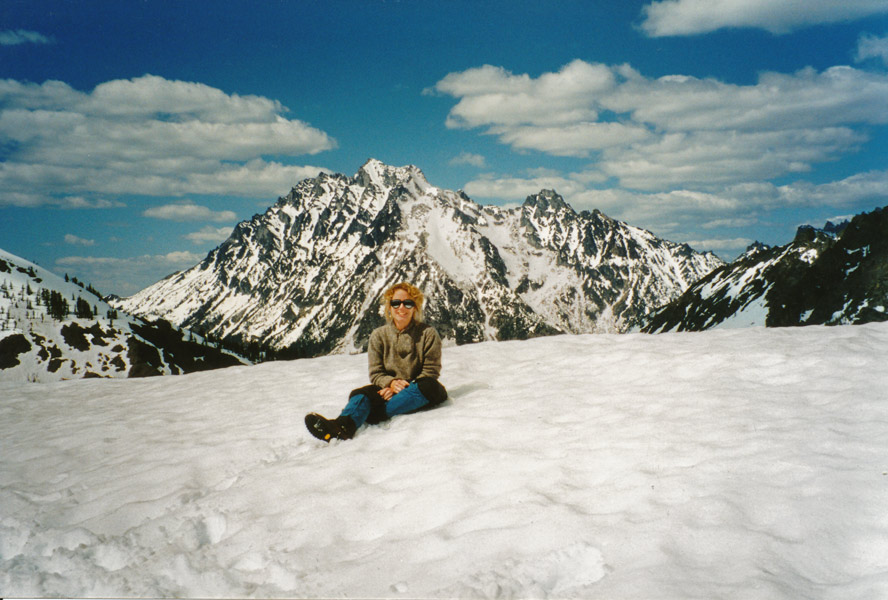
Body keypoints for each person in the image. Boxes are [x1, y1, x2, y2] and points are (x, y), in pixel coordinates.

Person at [305, 282, 448, 442]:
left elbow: (431, 371)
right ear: (389, 307)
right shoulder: (379, 335)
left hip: (417, 389)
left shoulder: (428, 333)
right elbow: (376, 373)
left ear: (415, 307)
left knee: (429, 386)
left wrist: (400, 388)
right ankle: (341, 426)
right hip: (390, 390)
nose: (401, 308)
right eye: (396, 303)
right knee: (361, 393)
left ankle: (373, 413)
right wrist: (391, 383)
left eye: (408, 303)